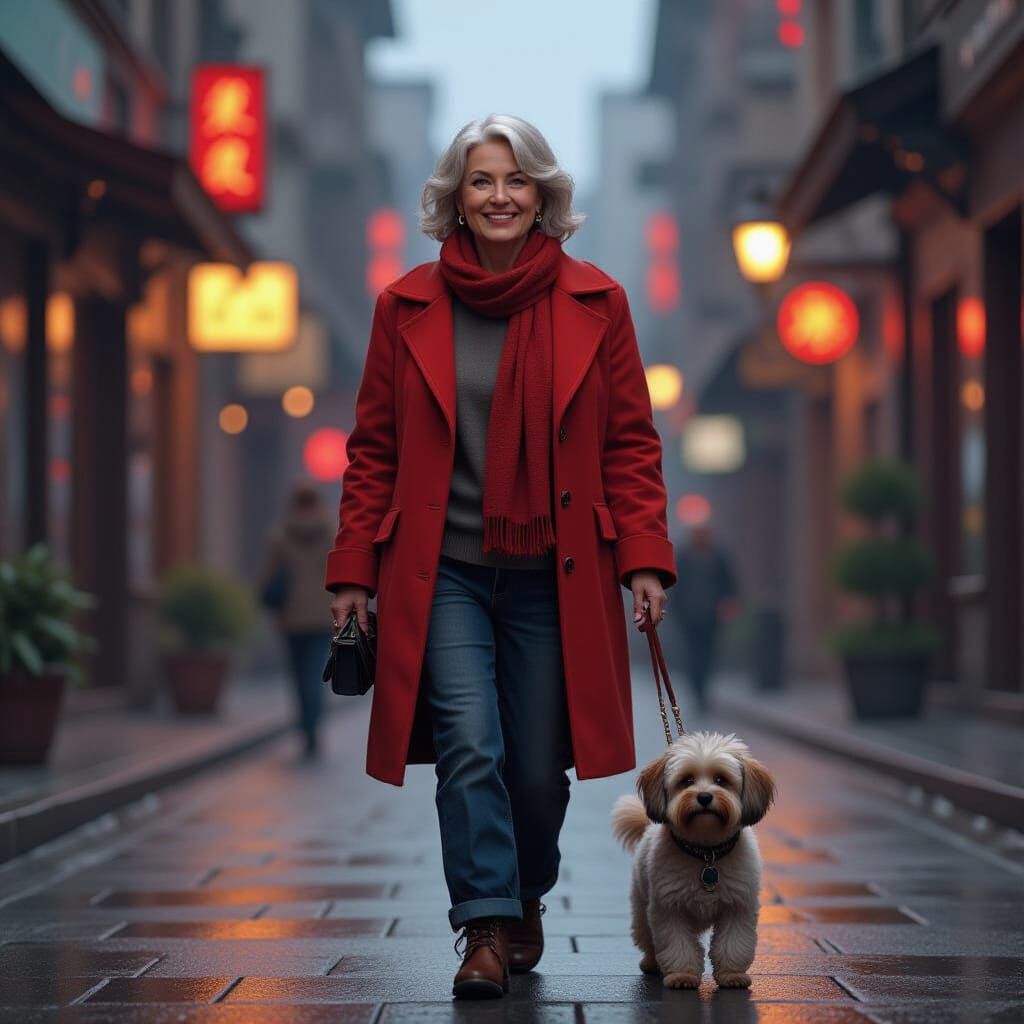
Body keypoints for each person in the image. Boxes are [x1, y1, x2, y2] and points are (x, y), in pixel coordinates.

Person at [325, 114, 676, 1000]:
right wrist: (352, 571)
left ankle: (524, 893)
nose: (500, 196)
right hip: (437, 567)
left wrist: (644, 556)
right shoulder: (404, 305)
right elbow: (372, 450)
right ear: (455, 196)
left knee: (534, 764)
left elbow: (631, 444)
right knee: (469, 745)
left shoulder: (599, 302)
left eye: (517, 180)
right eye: (481, 181)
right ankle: (482, 924)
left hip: (556, 575)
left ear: (545, 194)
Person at [258, 481, 335, 759]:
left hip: (291, 618)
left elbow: (268, 578)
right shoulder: (332, 533)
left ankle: (307, 727)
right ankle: (312, 728)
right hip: (323, 617)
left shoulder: (279, 537)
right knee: (314, 675)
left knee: (298, 677)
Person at [671, 520, 739, 712]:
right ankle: (697, 691)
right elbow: (676, 586)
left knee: (708, 653)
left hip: (711, 615)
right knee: (693, 654)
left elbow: (729, 584)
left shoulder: (718, 557)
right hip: (689, 616)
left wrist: (729, 604)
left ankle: (704, 689)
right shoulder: (684, 557)